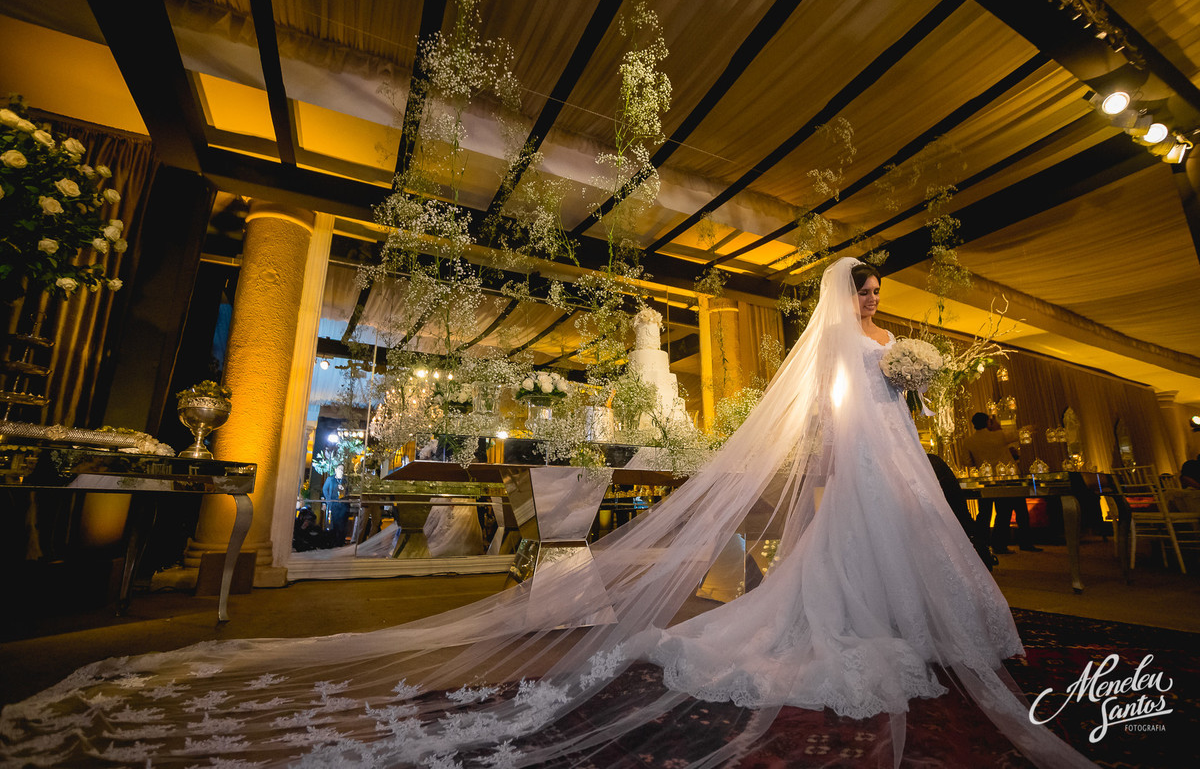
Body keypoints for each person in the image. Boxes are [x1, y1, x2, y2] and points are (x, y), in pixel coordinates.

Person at [0, 259, 1095, 768]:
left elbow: (830, 422)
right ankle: (863, 629)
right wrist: (904, 377)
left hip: (864, 472)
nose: (872, 305)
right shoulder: (870, 347)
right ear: (851, 300)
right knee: (841, 577)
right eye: (868, 292)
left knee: (853, 570)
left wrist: (895, 392)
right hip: (865, 471)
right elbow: (847, 412)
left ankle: (868, 622)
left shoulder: (861, 352)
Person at [963, 412, 1043, 553]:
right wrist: (1033, 426)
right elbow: (1019, 433)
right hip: (1007, 478)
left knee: (984, 514)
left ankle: (981, 545)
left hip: (984, 480)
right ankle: (1008, 544)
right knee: (1008, 512)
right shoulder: (999, 435)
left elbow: (967, 462)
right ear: (988, 422)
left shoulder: (969, 441)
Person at [322, 464, 350, 544]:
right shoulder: (330, 479)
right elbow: (324, 489)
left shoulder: (345, 480)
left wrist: (344, 489)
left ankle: (341, 541)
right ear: (336, 470)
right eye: (339, 469)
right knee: (335, 522)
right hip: (334, 504)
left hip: (343, 505)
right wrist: (328, 500)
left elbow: (349, 490)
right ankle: (334, 541)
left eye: (342, 469)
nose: (341, 471)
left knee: (343, 523)